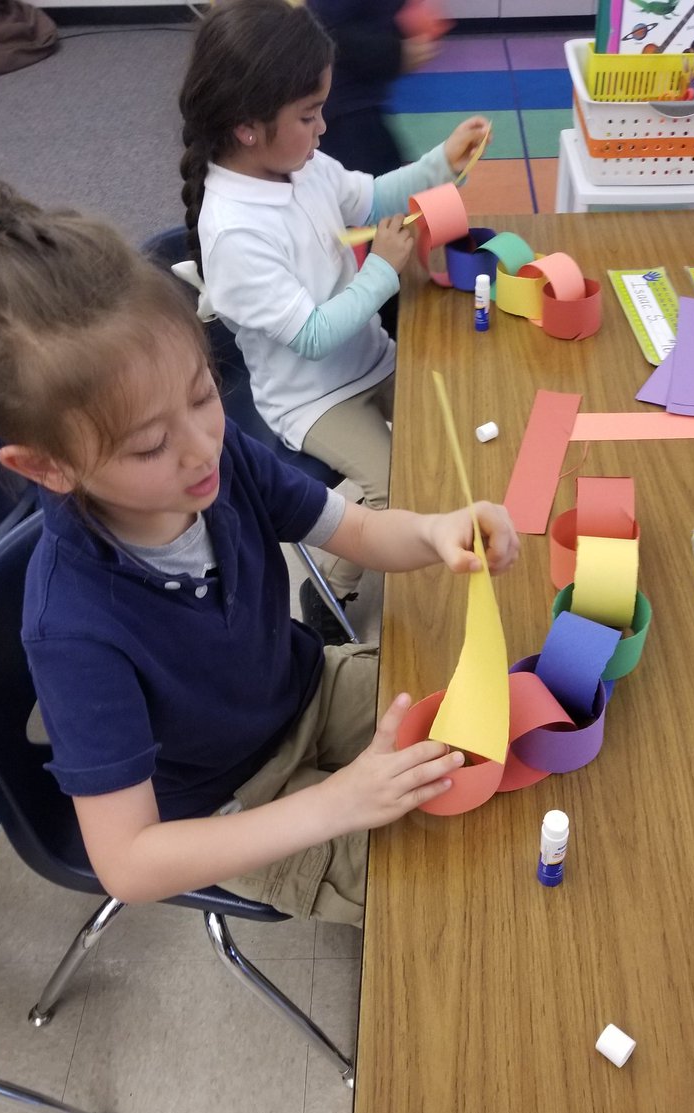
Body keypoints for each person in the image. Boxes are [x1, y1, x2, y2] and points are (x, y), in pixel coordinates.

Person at [0, 181, 518, 927]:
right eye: (150, 444)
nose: (199, 448)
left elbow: (353, 532)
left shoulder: (220, 463)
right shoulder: (74, 629)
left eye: (202, 393)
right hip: (239, 804)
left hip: (308, 690)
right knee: (468, 900)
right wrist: (338, 803)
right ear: (45, 468)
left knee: (500, 734)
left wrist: (433, 531)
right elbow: (130, 861)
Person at [178, 0, 489, 643]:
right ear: (245, 126)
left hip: (367, 356)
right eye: (309, 114)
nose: (324, 128)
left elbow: (372, 195)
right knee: (398, 484)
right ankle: (333, 584)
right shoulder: (235, 231)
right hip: (312, 396)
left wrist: (441, 162)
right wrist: (382, 269)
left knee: (453, 414)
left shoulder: (300, 163)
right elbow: (314, 337)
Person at [306, 0, 440, 176]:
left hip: (362, 102)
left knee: (390, 179)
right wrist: (395, 53)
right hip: (342, 107)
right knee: (378, 187)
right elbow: (327, 29)